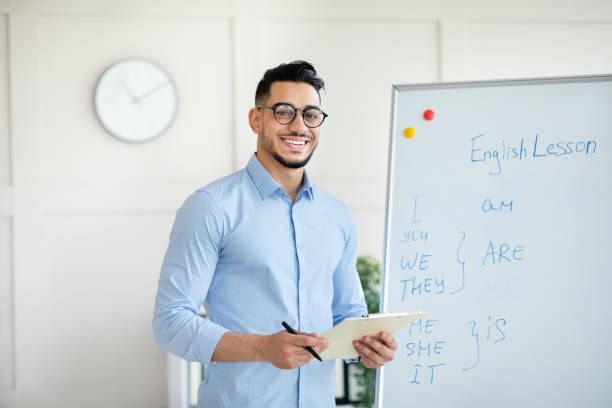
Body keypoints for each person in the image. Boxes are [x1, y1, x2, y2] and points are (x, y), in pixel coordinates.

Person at [153, 60, 398, 407]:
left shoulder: (337, 215)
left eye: (311, 115)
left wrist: (367, 349)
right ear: (256, 119)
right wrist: (263, 348)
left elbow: (348, 315)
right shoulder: (210, 207)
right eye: (284, 112)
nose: (299, 126)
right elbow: (170, 322)